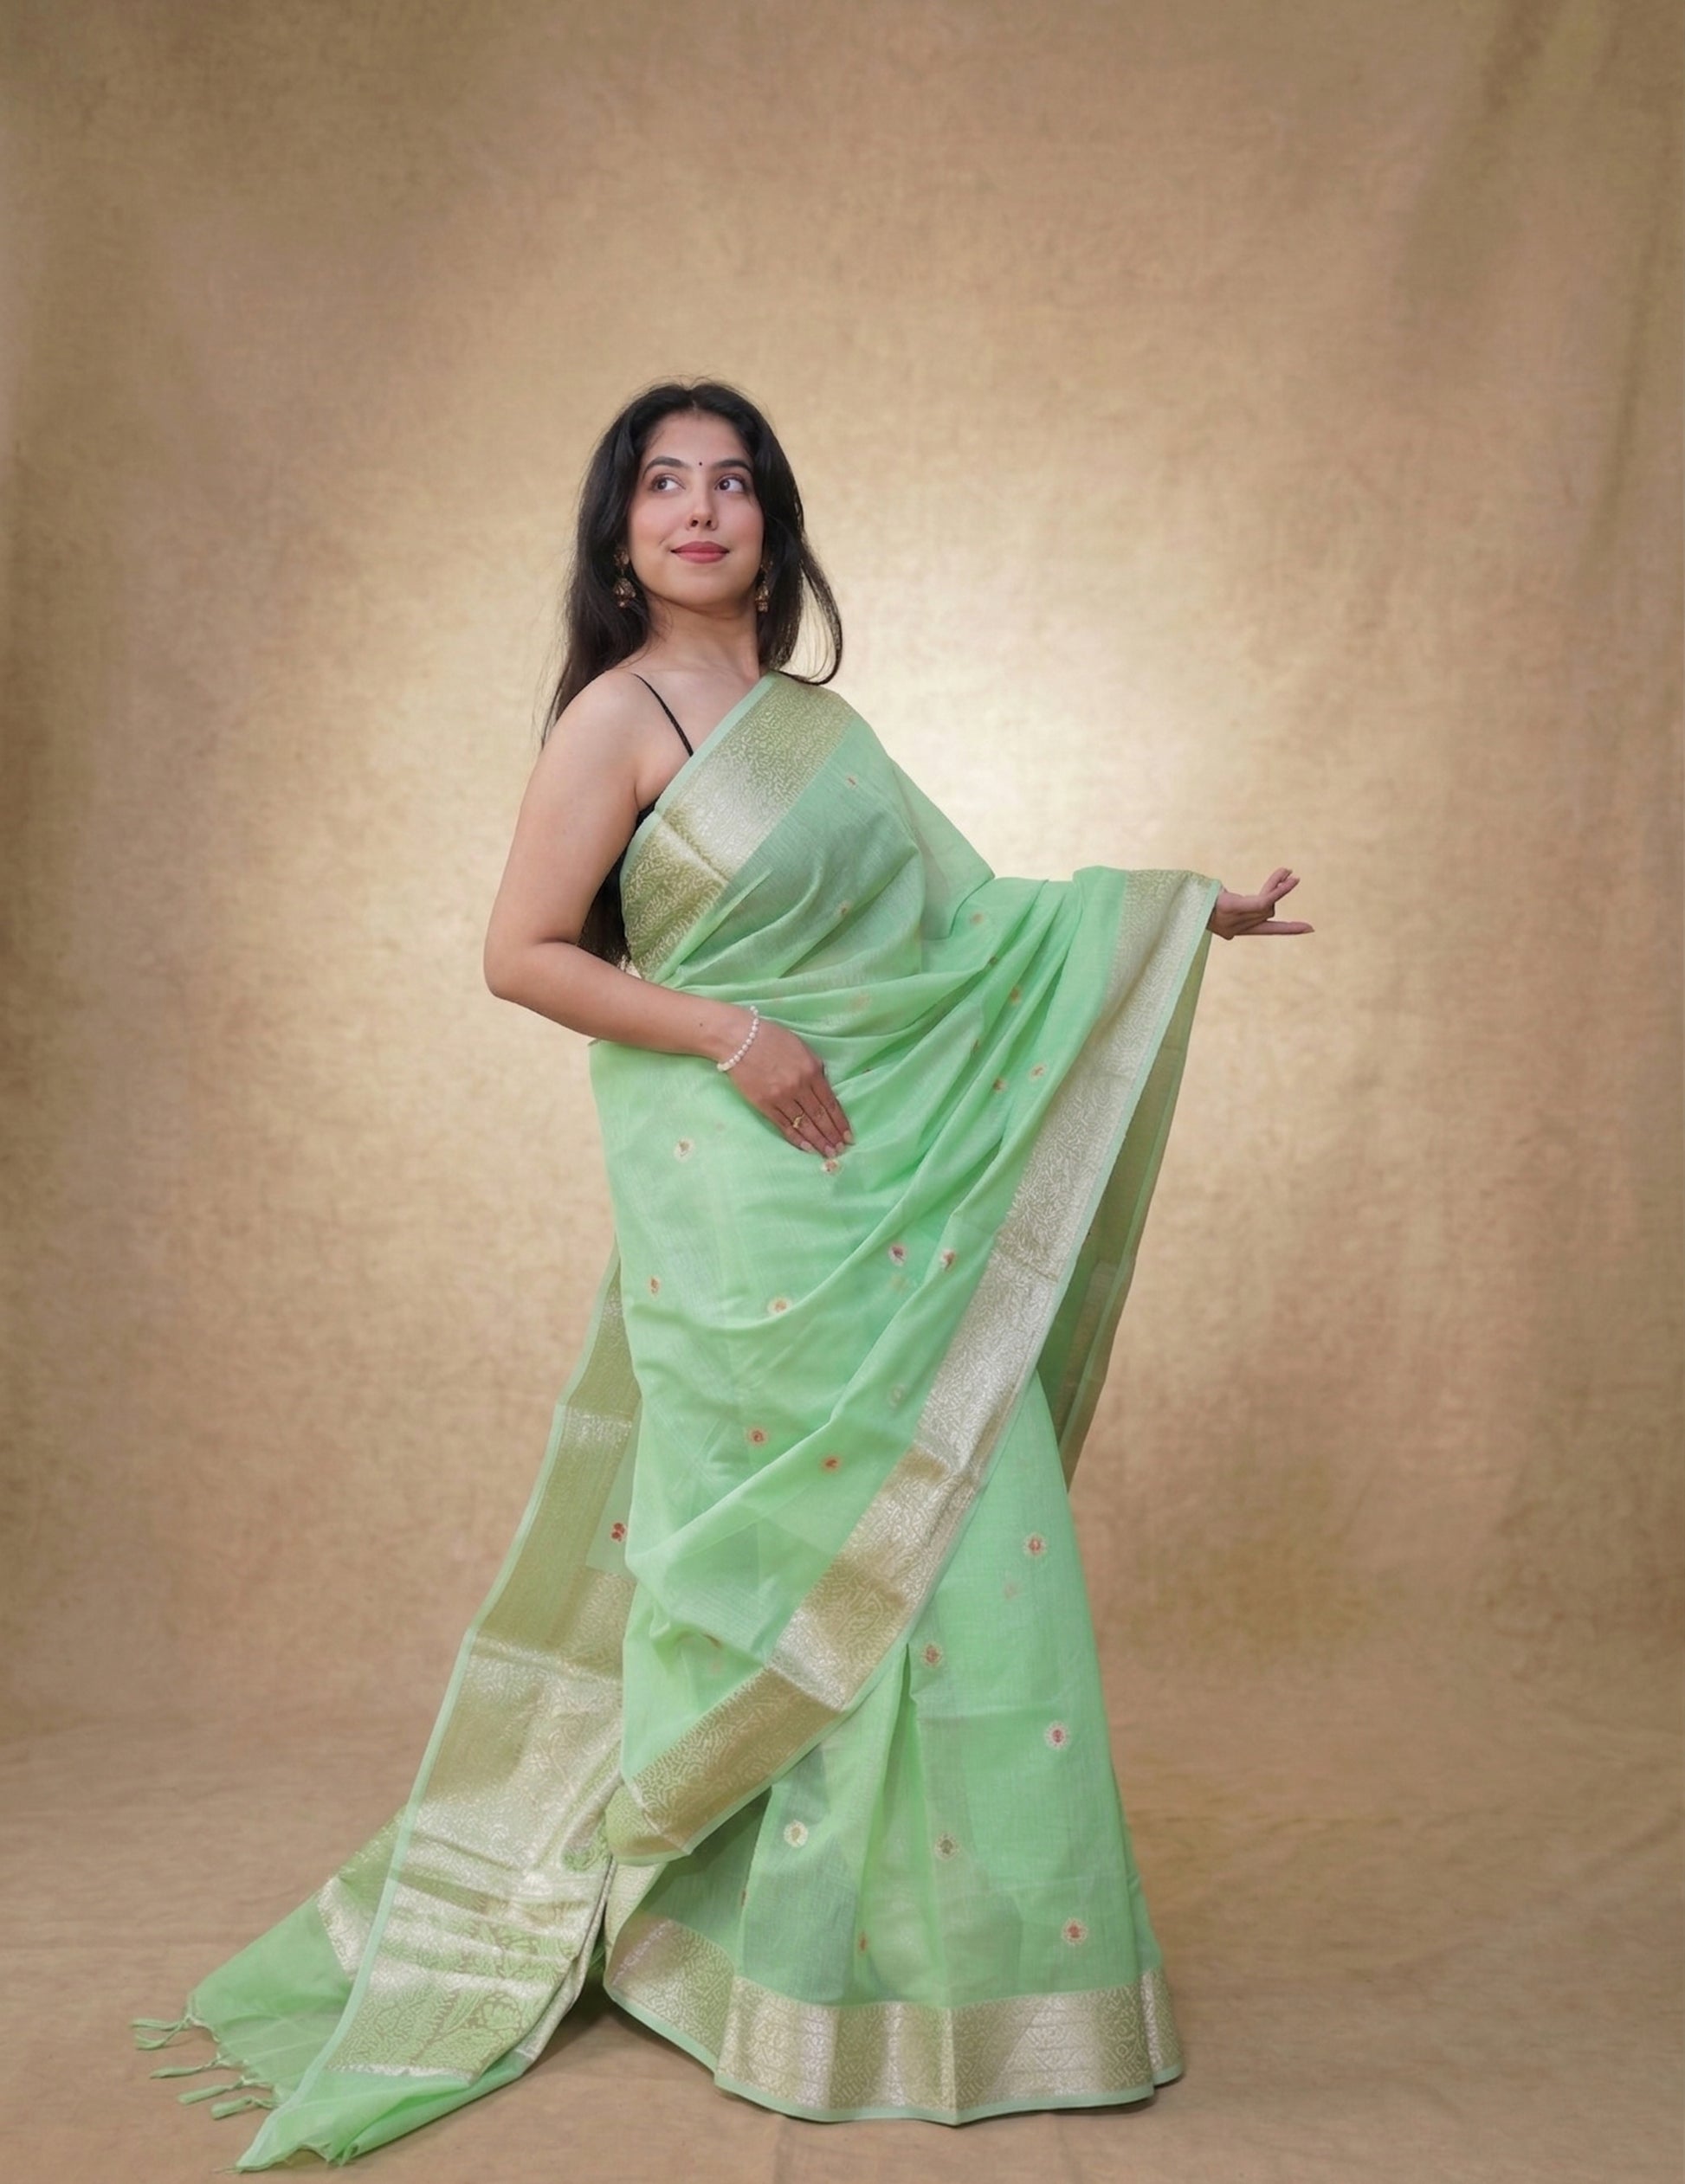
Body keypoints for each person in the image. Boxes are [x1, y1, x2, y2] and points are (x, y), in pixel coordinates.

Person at [132, 379, 1312, 2162]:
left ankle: (937, 1975)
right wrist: (730, 1029)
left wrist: (1171, 913)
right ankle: (737, 1947)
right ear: (620, 531)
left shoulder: (822, 731)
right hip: (741, 1201)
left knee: (952, 1544)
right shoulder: (616, 715)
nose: (699, 507)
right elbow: (522, 951)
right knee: (785, 1572)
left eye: (732, 481)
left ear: (775, 524)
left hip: (892, 1188)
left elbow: (967, 930)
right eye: (664, 482)